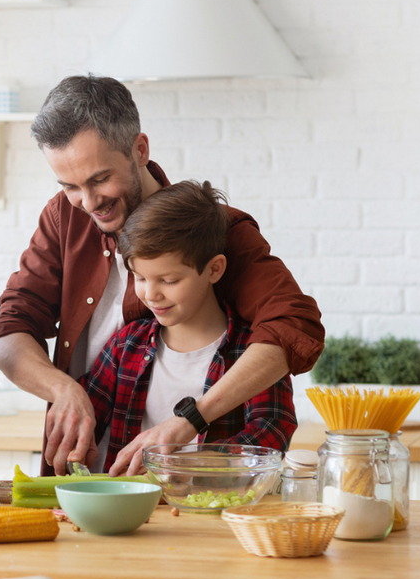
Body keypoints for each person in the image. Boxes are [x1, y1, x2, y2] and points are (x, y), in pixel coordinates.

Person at [0, 75, 323, 476]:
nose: (88, 202)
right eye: (69, 186)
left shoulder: (214, 230)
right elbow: (8, 332)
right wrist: (63, 390)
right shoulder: (64, 216)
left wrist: (190, 424)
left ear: (139, 149)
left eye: (99, 179)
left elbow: (293, 326)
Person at [82, 180, 297, 475]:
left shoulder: (252, 352)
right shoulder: (125, 345)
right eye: (140, 278)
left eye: (169, 281)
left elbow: (271, 433)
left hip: (213, 513)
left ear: (214, 269)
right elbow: (86, 419)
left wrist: (184, 466)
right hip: (129, 513)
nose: (151, 294)